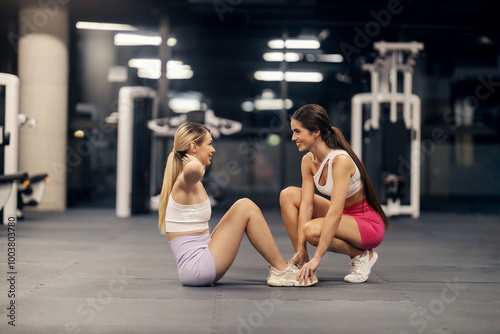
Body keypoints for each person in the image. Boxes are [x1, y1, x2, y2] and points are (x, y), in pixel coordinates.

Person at [158, 122, 317, 287]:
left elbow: (196, 169)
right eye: (210, 144)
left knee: (243, 206)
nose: (213, 150)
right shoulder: (183, 183)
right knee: (245, 206)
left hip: (199, 261)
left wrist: (193, 158)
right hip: (197, 268)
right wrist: (194, 160)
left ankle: (280, 269)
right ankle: (281, 270)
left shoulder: (189, 180)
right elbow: (195, 169)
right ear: (194, 146)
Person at [280, 104, 390, 284]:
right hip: (343, 217)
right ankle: (302, 262)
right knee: (288, 195)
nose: (293, 137)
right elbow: (306, 206)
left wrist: (318, 258)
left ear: (315, 132)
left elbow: (335, 213)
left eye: (298, 131)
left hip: (366, 225)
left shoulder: (340, 161)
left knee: (312, 231)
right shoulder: (308, 160)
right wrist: (302, 250)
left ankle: (362, 255)